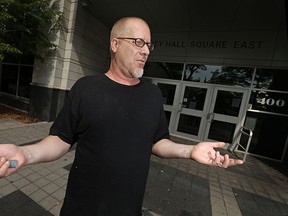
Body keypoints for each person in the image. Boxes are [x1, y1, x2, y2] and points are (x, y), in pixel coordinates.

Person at [0, 17, 243, 215]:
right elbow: (60, 140)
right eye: (138, 42)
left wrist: (189, 151)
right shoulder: (86, 88)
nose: (146, 51)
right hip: (81, 210)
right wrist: (25, 153)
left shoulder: (152, 94)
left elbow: (158, 142)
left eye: (149, 45)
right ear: (115, 44)